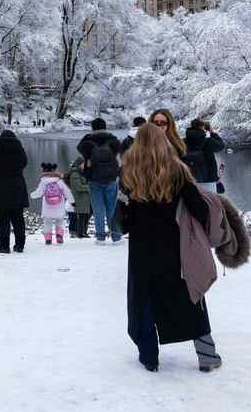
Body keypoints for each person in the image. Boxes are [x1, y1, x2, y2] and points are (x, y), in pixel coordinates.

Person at [118, 124, 222, 374]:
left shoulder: (128, 173)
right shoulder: (177, 170)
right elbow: (197, 206)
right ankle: (207, 355)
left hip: (143, 246)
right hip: (175, 243)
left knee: (143, 299)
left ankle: (149, 356)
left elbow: (124, 222)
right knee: (190, 294)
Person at [77, 118, 123, 245]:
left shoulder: (88, 140)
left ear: (92, 127)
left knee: (98, 210)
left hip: (94, 178)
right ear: (105, 126)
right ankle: (116, 236)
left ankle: (100, 237)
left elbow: (80, 149)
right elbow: (119, 150)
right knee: (112, 208)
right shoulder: (112, 138)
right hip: (111, 179)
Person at [0, 130, 29, 254]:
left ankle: (4, 246)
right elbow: (24, 162)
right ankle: (19, 245)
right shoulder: (19, 148)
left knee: (3, 218)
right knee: (18, 218)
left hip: (0, 187)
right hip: (17, 186)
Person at [31, 163, 75, 245]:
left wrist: (31, 195)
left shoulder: (43, 182)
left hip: (48, 206)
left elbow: (38, 193)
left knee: (47, 223)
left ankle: (48, 239)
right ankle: (59, 236)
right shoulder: (59, 181)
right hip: (59, 206)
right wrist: (72, 202)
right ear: (54, 170)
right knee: (60, 221)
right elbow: (67, 192)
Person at [183, 119, 226, 192]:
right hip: (209, 179)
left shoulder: (184, 141)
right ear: (202, 127)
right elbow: (220, 146)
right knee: (210, 202)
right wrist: (212, 134)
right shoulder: (207, 139)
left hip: (190, 180)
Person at [64, 157, 92, 238]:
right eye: (83, 164)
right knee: (81, 216)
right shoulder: (75, 174)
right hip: (79, 198)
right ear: (79, 164)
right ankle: (80, 233)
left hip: (83, 198)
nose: (84, 165)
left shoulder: (80, 173)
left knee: (84, 215)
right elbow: (78, 186)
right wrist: (89, 187)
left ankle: (83, 232)